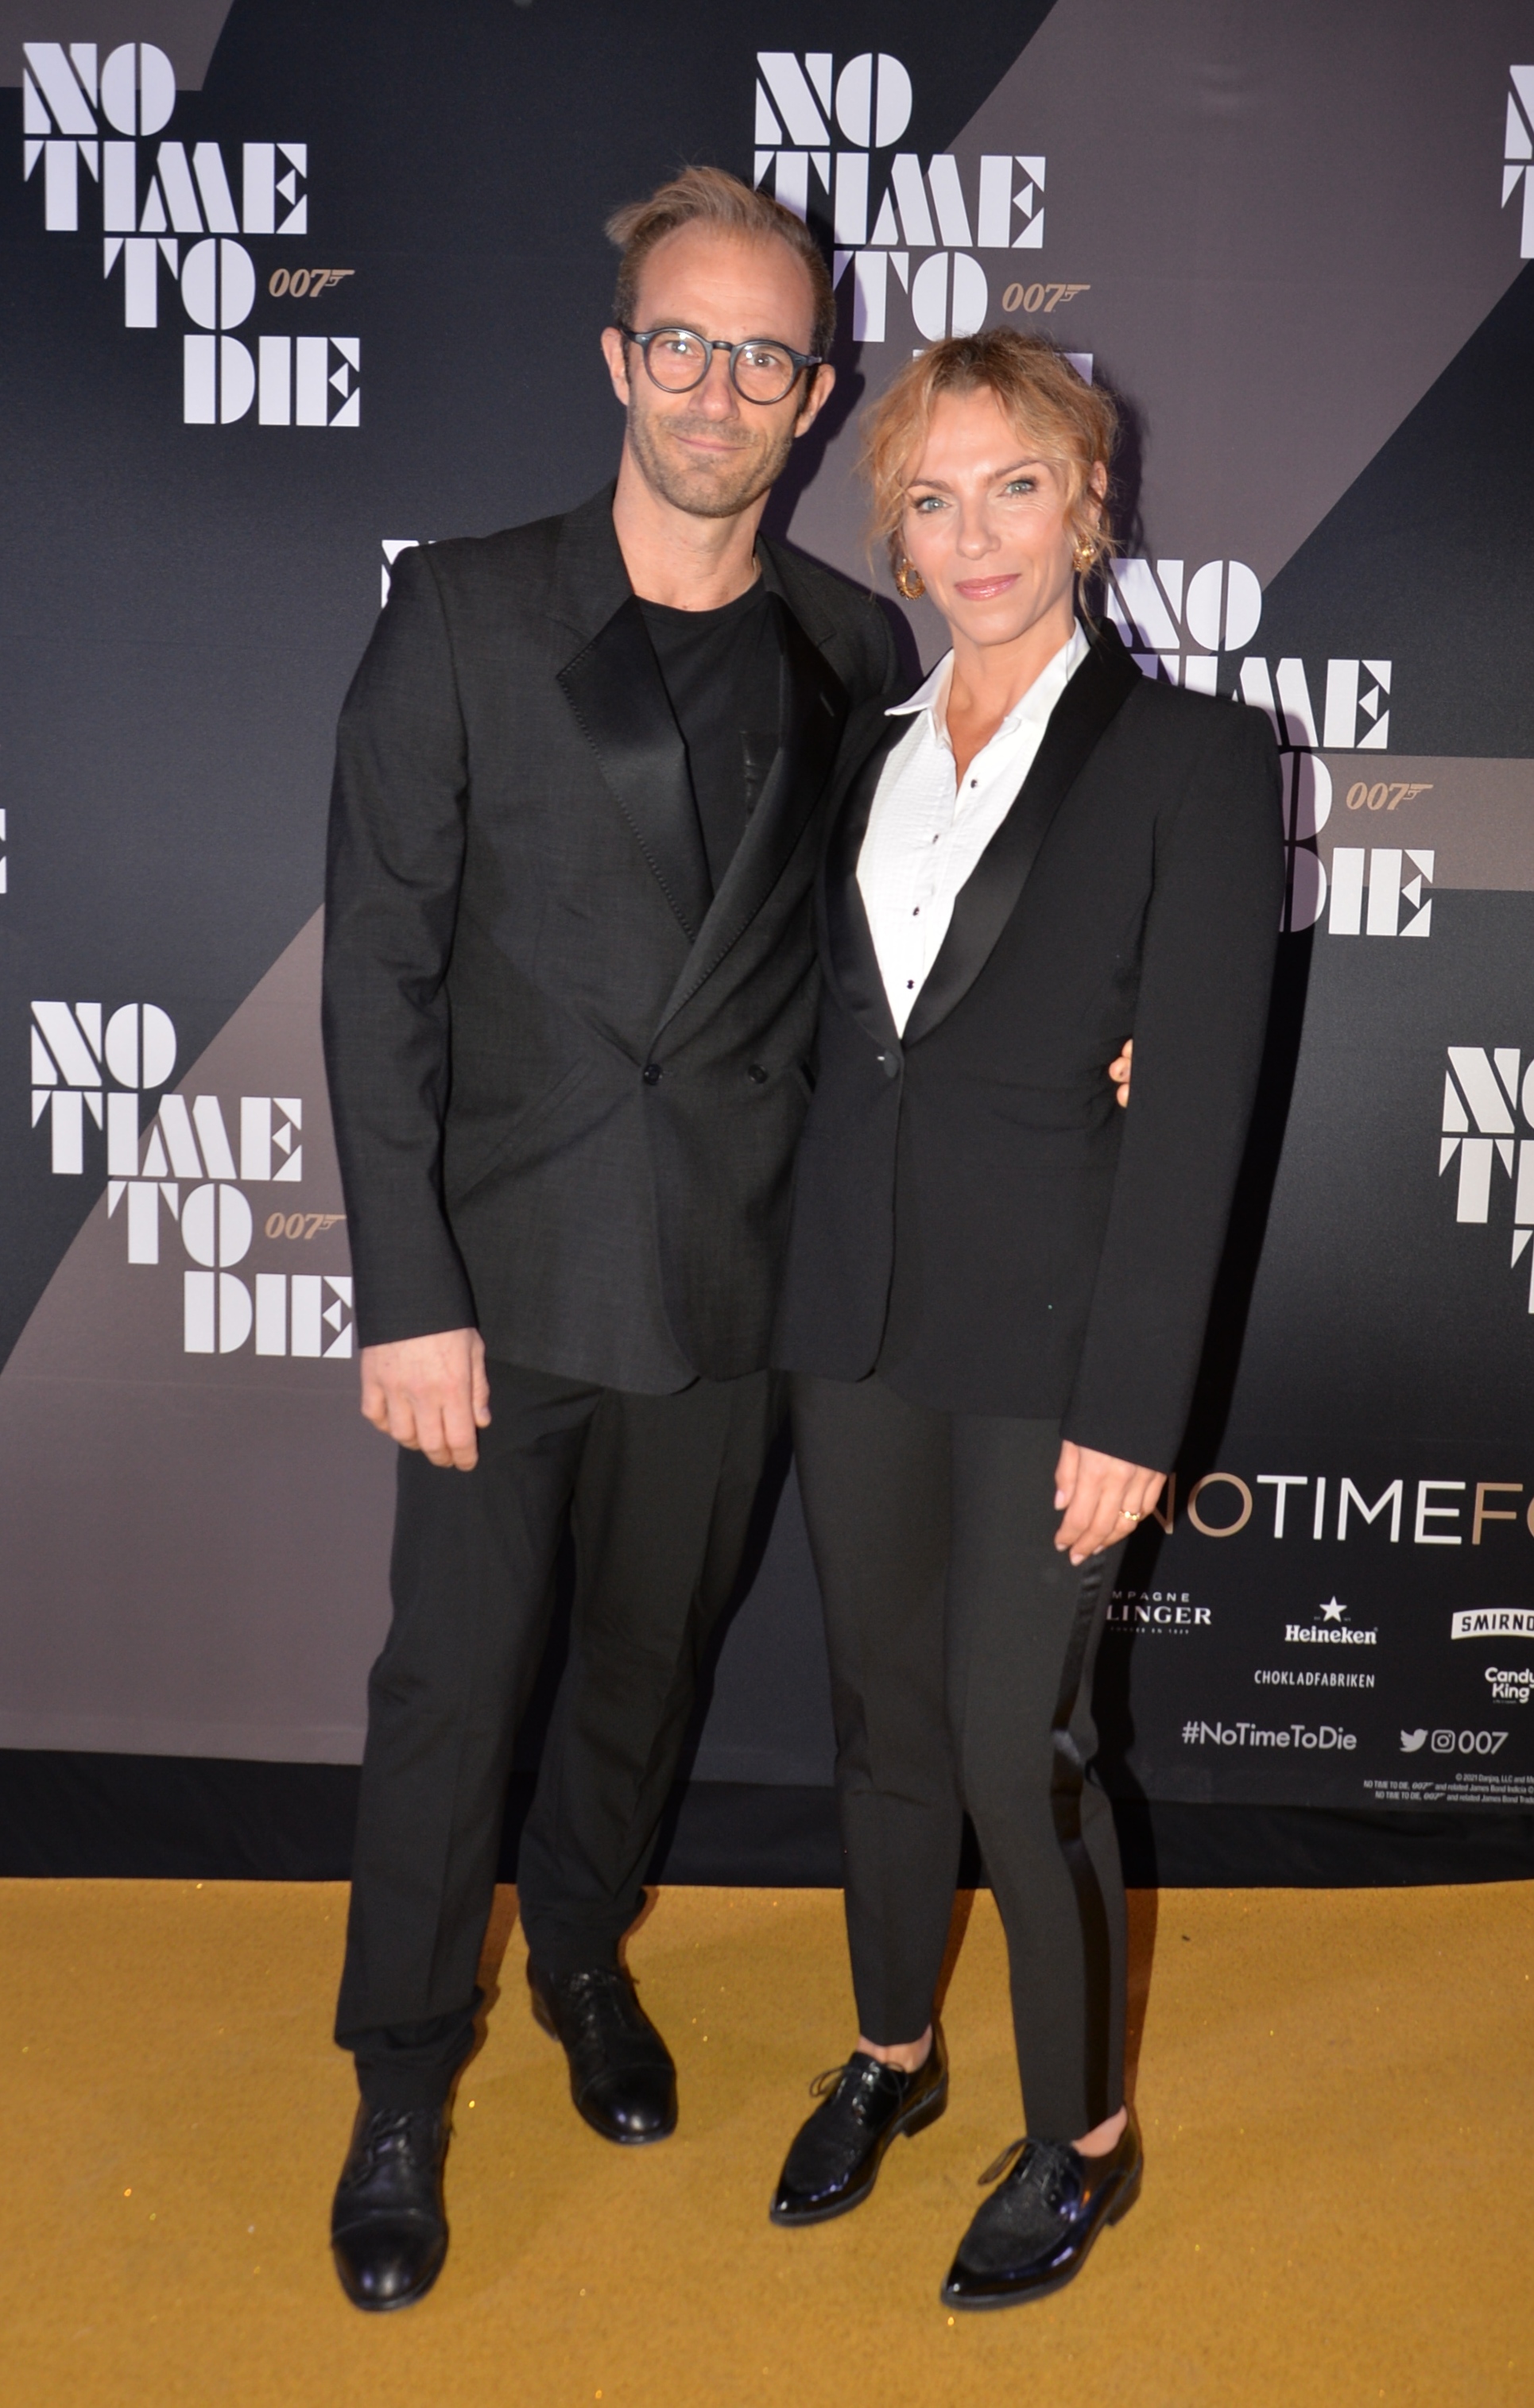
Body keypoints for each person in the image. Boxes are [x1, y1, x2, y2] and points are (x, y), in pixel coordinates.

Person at [320, 165, 901, 2312]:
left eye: (763, 357)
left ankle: (576, 1946)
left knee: (647, 1671)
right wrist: (407, 1291)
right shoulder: (467, 613)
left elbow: (885, 968)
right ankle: (401, 2078)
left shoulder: (855, 646)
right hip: (500, 1280)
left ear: (814, 396)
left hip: (733, 1280)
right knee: (450, 1689)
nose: (717, 389)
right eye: (684, 343)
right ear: (616, 359)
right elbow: (377, 970)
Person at [769, 329, 1282, 2309]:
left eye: (1012, 486)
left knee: (1019, 1749)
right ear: (891, 531)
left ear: (1086, 502)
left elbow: (1199, 1109)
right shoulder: (862, 747)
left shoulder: (1190, 760)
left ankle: (1078, 2133)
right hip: (854, 1322)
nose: (971, 534)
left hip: (1056, 1348)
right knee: (883, 1727)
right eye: (930, 496)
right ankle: (890, 2049)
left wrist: (1132, 1406)